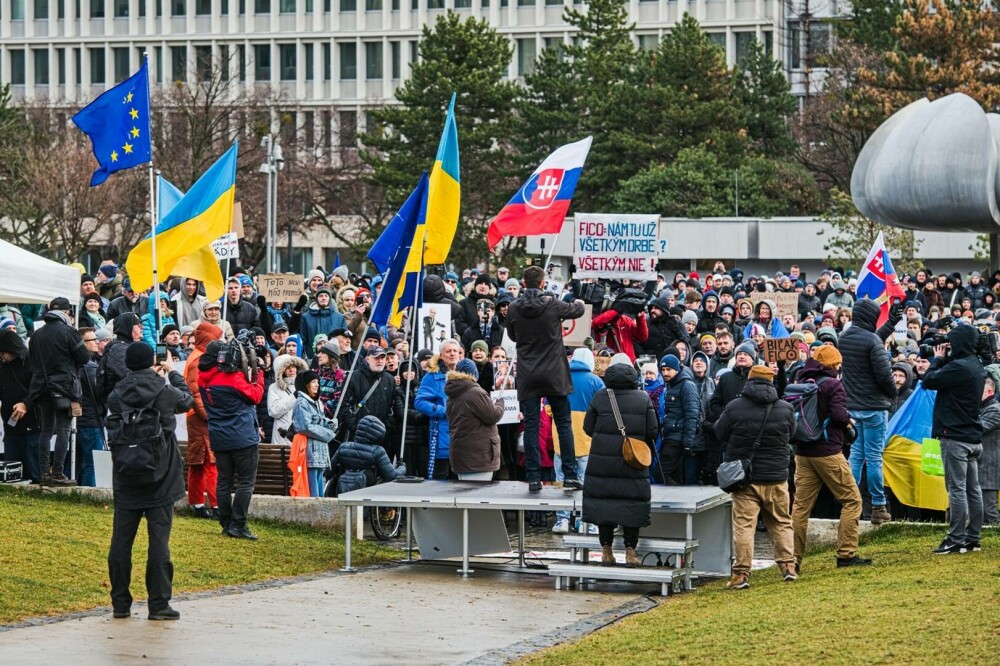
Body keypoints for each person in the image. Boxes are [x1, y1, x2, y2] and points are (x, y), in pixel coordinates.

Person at [106, 341, 193, 621]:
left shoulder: (116, 394)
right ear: (151, 361)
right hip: (161, 475)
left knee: (121, 542)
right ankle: (158, 604)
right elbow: (187, 400)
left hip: (126, 473)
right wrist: (172, 372)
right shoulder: (163, 389)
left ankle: (120, 603)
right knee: (159, 543)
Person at [715, 365, 798, 589]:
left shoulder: (734, 407)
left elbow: (719, 432)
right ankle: (788, 566)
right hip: (777, 477)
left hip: (746, 478)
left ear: (749, 381)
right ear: (771, 382)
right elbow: (793, 434)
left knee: (744, 526)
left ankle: (741, 574)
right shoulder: (785, 408)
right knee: (781, 522)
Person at [506, 266, 586, 492]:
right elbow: (577, 311)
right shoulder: (552, 304)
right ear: (543, 284)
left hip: (528, 374)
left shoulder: (513, 308)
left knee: (531, 427)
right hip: (554, 375)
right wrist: (578, 300)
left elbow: (512, 335)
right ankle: (570, 476)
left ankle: (533, 478)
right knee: (563, 424)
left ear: (523, 283)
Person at [790, 346, 870, 571]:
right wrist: (848, 422)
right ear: (835, 364)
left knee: (800, 508)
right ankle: (846, 554)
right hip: (827, 452)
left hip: (803, 453)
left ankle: (793, 560)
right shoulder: (833, 384)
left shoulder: (801, 379)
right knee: (852, 500)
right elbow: (838, 414)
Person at [581, 356, 658, 567]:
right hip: (633, 461)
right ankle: (631, 551)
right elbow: (652, 431)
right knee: (632, 505)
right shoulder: (643, 398)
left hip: (602, 463)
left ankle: (606, 550)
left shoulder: (600, 397)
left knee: (604, 504)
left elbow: (588, 427)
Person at [922, 324, 987, 554]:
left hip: (955, 437)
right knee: (973, 490)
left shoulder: (958, 367)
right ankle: (973, 538)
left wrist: (938, 359)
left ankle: (955, 539)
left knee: (957, 490)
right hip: (972, 437)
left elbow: (927, 381)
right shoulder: (976, 365)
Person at [840, 298, 900, 525]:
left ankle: (850, 504)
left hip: (852, 408)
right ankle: (878, 506)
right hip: (875, 408)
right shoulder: (873, 342)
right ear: (871, 318)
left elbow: (872, 338)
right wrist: (893, 393)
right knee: (874, 457)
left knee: (855, 457)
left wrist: (891, 322)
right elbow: (885, 375)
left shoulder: (843, 338)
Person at [198, 339, 266, 540]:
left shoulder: (202, 377)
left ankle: (226, 523)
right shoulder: (232, 378)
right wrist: (259, 374)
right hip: (242, 436)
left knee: (224, 481)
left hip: (219, 436)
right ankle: (238, 524)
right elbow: (256, 395)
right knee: (246, 482)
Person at [28, 297, 91, 486]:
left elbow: (32, 360)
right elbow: (85, 357)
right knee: (63, 430)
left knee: (46, 431)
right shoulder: (69, 332)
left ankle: (43, 474)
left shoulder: (36, 334)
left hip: (41, 387)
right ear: (67, 313)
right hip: (64, 388)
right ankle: (57, 473)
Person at [552, 348, 605, 534]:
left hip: (561, 440)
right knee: (586, 482)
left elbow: (549, 409)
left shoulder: (558, 379)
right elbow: (602, 412)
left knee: (562, 482)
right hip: (586, 441)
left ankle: (562, 520)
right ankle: (586, 521)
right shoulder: (596, 382)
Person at [183, 322, 222, 520]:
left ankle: (198, 504)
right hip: (201, 418)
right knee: (209, 463)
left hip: (194, 416)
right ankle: (216, 505)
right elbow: (195, 391)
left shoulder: (195, 356)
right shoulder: (200, 359)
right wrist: (209, 415)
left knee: (197, 463)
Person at [446, 358, 504, 481]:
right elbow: (493, 416)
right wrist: (500, 403)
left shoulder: (453, 394)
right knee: (478, 496)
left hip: (462, 456)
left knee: (466, 497)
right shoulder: (475, 392)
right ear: (474, 374)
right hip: (478, 458)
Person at [415, 339, 460, 478]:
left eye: (455, 351)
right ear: (441, 355)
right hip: (442, 435)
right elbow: (420, 401)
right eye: (448, 351)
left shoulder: (465, 375)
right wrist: (443, 410)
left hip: (462, 435)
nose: (452, 354)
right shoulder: (432, 376)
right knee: (442, 480)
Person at [0, 329, 40, 483]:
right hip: (10, 427)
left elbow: (40, 388)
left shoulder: (31, 362)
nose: (2, 356)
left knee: (33, 471)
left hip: (31, 426)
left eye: (3, 352)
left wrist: (26, 403)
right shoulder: (4, 366)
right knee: (11, 472)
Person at [656, 354, 701, 486]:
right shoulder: (671, 385)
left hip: (677, 438)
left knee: (661, 473)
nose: (665, 373)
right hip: (671, 436)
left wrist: (688, 442)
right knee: (675, 476)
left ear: (676, 369)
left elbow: (692, 414)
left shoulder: (686, 385)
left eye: (668, 370)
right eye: (663, 370)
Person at [330, 415, 406, 492]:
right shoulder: (378, 451)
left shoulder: (343, 447)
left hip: (342, 490)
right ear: (378, 434)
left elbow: (329, 470)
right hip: (368, 491)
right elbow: (392, 476)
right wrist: (402, 467)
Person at [292, 370, 338, 497]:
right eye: (313, 382)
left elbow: (319, 421)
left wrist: (329, 423)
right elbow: (305, 427)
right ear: (305, 385)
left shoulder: (316, 403)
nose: (317, 385)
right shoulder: (301, 403)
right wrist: (328, 434)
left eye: (318, 382)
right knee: (312, 493)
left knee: (319, 492)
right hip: (310, 455)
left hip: (319, 455)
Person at [75, 328, 106, 487]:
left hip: (78, 421)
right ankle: (88, 494)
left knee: (75, 462)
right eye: (92, 340)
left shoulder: (74, 365)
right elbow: (100, 393)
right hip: (91, 422)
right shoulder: (90, 367)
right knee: (92, 463)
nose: (97, 342)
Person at [268, 353, 308, 446]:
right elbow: (273, 411)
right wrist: (294, 397)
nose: (291, 369)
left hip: (302, 436)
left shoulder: (305, 385)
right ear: (280, 370)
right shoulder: (274, 387)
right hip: (282, 437)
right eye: (287, 367)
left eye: (293, 366)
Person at [980, 377, 1000, 525]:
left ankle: (994, 537)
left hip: (989, 468)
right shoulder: (983, 408)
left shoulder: (995, 410)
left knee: (989, 511)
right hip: (981, 465)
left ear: (989, 391)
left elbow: (978, 429)